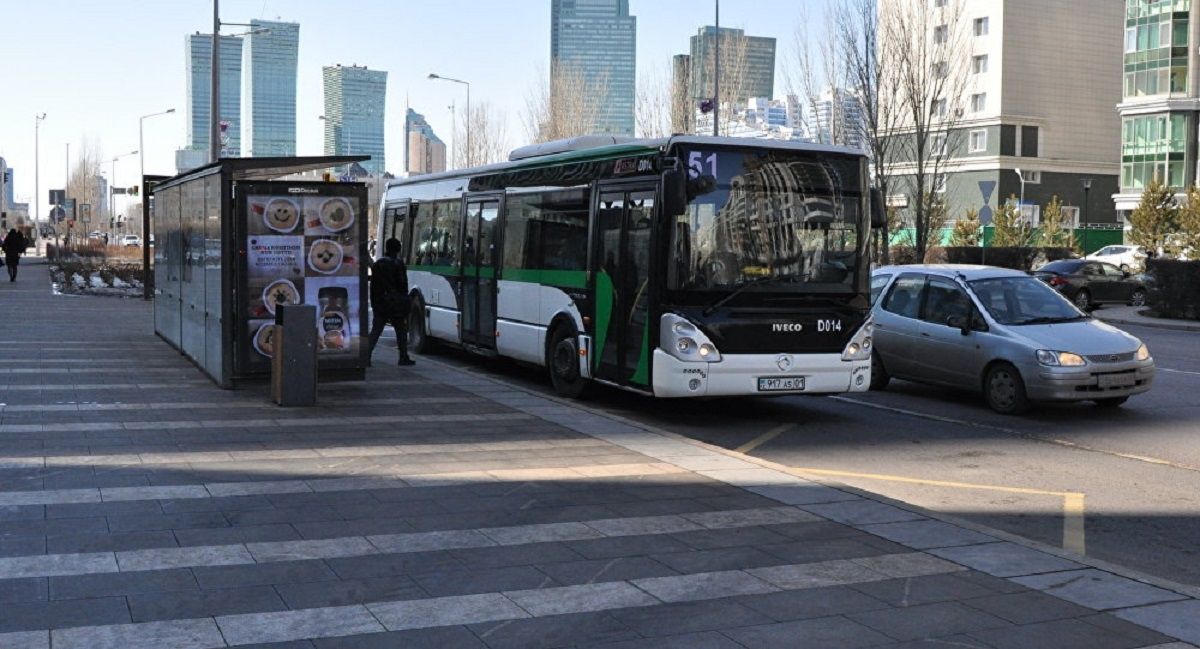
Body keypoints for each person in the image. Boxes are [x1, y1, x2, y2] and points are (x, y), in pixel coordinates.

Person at [368, 237, 414, 366]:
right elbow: (403, 285)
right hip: (395, 303)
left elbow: (374, 286)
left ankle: (366, 355)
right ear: (398, 250)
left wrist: (376, 303)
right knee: (400, 330)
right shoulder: (398, 264)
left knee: (376, 330)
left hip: (380, 303)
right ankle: (403, 357)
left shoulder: (378, 264)